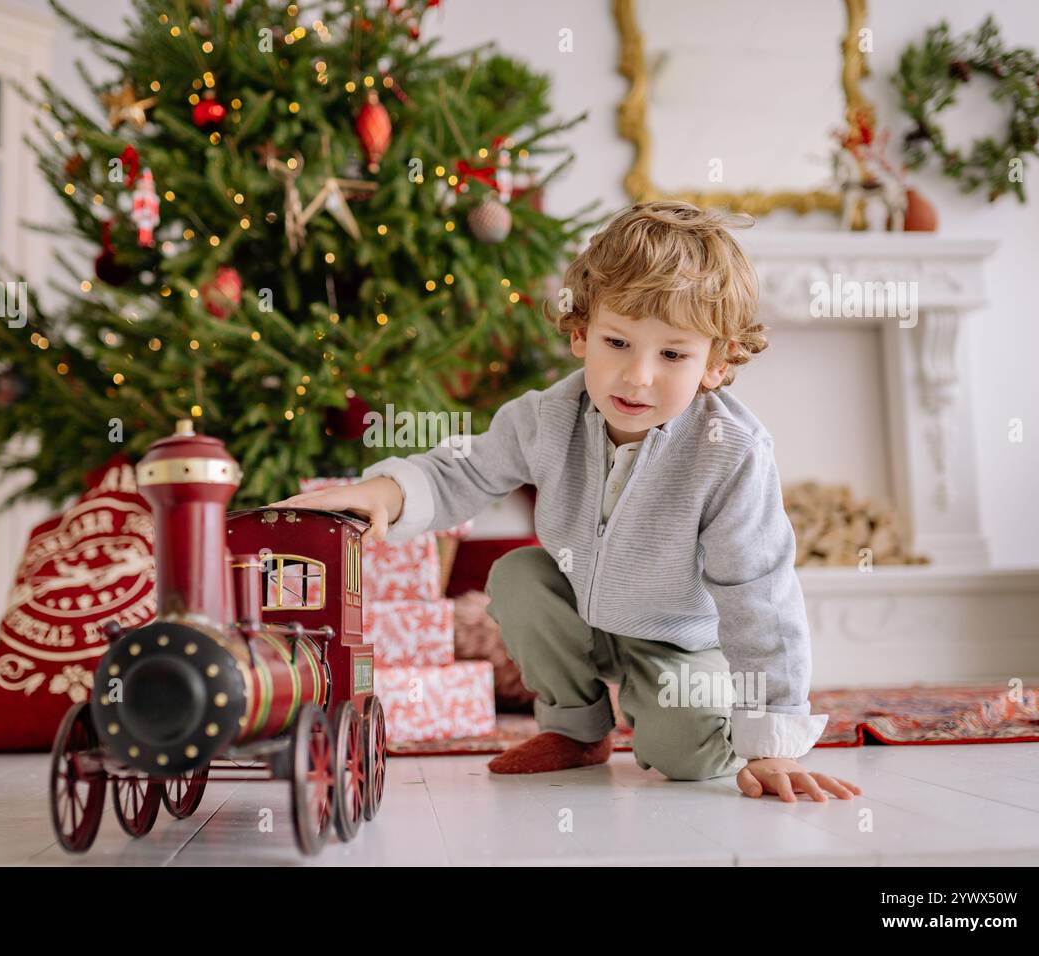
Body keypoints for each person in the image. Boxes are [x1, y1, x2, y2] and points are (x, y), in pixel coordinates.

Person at [269, 200, 863, 803]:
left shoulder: (731, 453)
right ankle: (577, 730)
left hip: (679, 638)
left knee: (684, 754)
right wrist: (385, 490)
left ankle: (680, 720)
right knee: (518, 574)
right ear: (581, 334)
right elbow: (465, 470)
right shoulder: (550, 416)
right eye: (617, 342)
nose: (637, 376)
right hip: (580, 612)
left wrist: (772, 743)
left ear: (716, 362)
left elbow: (759, 594)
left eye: (673, 355)